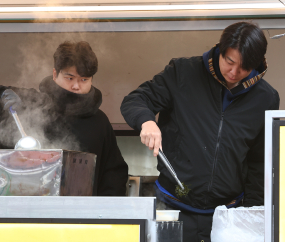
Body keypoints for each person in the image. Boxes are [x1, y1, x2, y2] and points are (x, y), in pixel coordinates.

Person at [120, 21, 280, 241]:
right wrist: (146, 121)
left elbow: (259, 163)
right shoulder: (183, 73)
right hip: (172, 207)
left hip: (229, 215)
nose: (234, 72)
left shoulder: (266, 98)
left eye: (244, 67)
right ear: (220, 51)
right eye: (229, 61)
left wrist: (249, 214)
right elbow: (136, 100)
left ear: (257, 63)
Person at [0, 41, 128, 196]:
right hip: (23, 211)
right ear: (55, 74)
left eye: (84, 79)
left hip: (83, 214)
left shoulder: (99, 121)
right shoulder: (31, 106)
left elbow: (113, 175)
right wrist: (3, 95)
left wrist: (104, 213)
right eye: (70, 78)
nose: (76, 86)